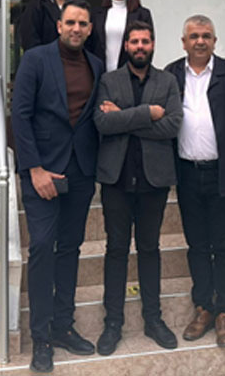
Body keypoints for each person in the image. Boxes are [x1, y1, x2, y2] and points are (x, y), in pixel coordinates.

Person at [11, 0, 104, 373]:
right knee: (42, 247)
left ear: (90, 29)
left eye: (83, 24)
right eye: (71, 22)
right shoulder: (35, 60)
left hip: (80, 171)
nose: (76, 28)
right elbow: (20, 115)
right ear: (59, 25)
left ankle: (63, 326)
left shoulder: (96, 65)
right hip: (43, 172)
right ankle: (41, 338)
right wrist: (33, 169)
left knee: (70, 248)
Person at [164, 14, 225, 349]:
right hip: (187, 174)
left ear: (215, 41)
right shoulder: (171, 75)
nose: (200, 41)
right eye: (194, 36)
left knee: (223, 246)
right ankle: (203, 308)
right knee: (197, 246)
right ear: (184, 42)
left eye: (206, 36)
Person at [92, 21, 182, 356]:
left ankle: (153, 319)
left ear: (153, 45)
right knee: (116, 250)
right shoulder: (109, 81)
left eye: (145, 41)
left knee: (149, 249)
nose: (140, 46)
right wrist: (147, 114)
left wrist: (127, 119)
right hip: (116, 179)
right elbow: (103, 123)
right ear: (126, 45)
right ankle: (112, 323)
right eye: (134, 41)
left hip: (153, 180)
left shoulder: (167, 81)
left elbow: (173, 125)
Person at [87, 0, 153, 70]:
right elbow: (89, 44)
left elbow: (149, 44)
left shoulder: (142, 14)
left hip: (131, 71)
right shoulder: (96, 14)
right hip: (100, 71)